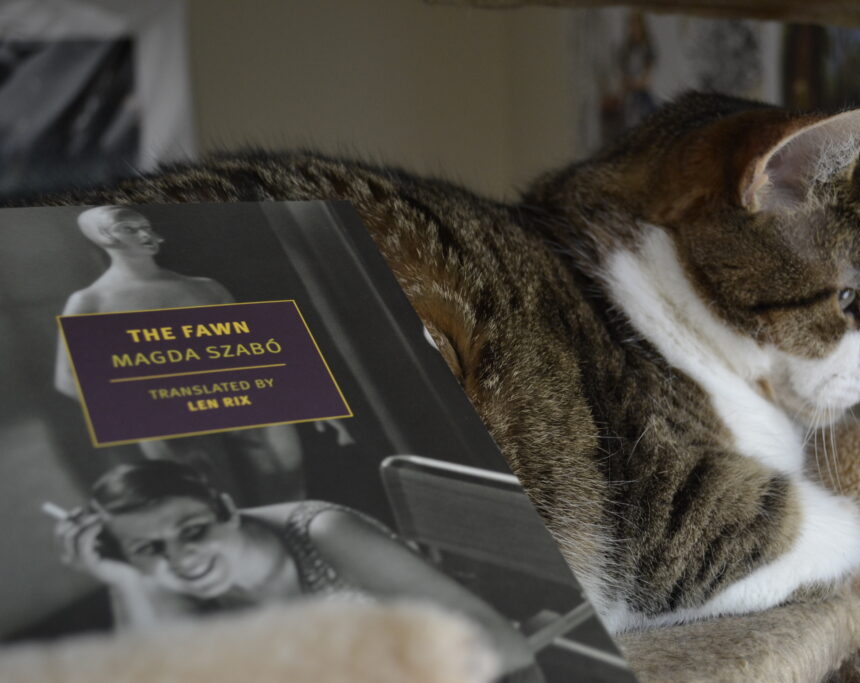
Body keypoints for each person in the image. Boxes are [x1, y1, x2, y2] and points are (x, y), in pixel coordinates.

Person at [55, 460, 541, 680]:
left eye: (194, 530)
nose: (181, 560)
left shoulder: (325, 532)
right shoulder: (163, 576)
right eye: (146, 548)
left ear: (226, 508)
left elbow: (502, 647)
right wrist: (122, 583)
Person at [54, 206, 350, 503]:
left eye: (145, 225)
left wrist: (313, 401)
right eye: (129, 229)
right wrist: (142, 405)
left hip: (244, 402)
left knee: (286, 484)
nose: (145, 234)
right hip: (171, 421)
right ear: (106, 238)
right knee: (210, 499)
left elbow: (258, 353)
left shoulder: (205, 288)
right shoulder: (91, 301)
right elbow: (68, 380)